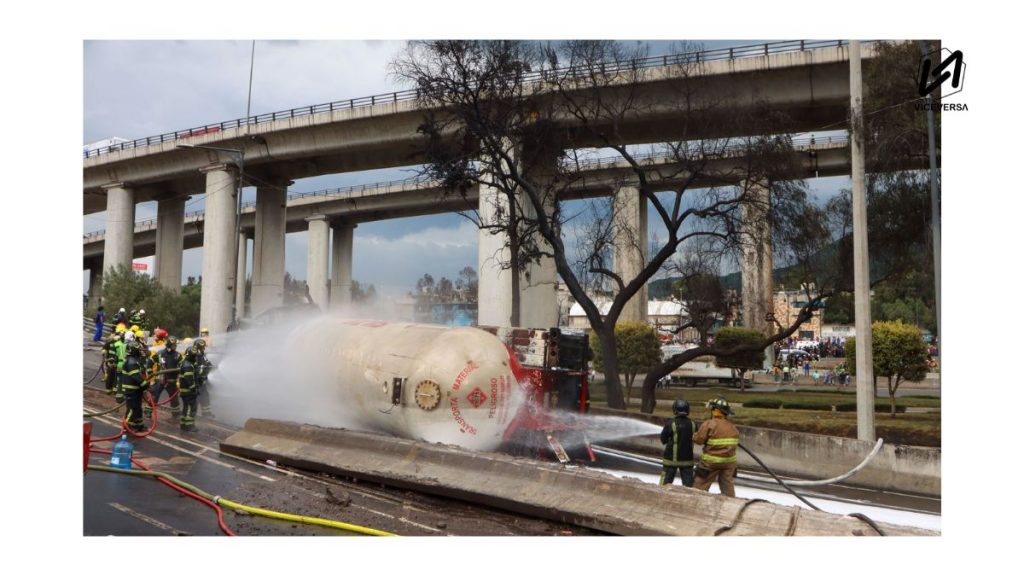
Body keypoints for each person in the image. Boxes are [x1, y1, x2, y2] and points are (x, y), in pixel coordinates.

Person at [692, 396, 740, 497]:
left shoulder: (709, 424)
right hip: (729, 463)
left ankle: (695, 501)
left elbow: (699, 440)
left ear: (715, 411)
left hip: (711, 462)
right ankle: (731, 503)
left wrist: (694, 435)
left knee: (700, 486)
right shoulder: (733, 427)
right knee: (728, 486)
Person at [660, 399, 697, 487]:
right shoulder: (693, 424)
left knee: (664, 486)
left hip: (671, 461)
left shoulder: (671, 423)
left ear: (675, 409)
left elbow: (663, 439)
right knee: (689, 487)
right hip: (687, 461)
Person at [117, 333, 148, 433]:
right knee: (131, 409)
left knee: (138, 409)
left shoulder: (135, 360)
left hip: (136, 390)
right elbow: (136, 377)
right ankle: (126, 427)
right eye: (139, 350)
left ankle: (138, 425)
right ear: (134, 351)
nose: (140, 351)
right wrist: (145, 384)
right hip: (131, 390)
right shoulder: (131, 362)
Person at [178, 339, 212, 431]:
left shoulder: (188, 362)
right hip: (189, 391)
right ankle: (189, 425)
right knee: (191, 407)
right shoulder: (188, 365)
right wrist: (194, 388)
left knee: (186, 407)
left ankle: (183, 424)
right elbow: (189, 379)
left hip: (186, 390)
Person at [147, 336, 182, 419]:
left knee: (174, 398)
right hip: (160, 379)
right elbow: (150, 362)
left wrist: (180, 376)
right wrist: (150, 372)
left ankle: (176, 414)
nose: (176, 346)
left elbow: (182, 366)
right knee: (155, 396)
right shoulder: (160, 353)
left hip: (172, 380)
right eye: (174, 345)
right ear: (169, 345)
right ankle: (148, 412)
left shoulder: (177, 355)